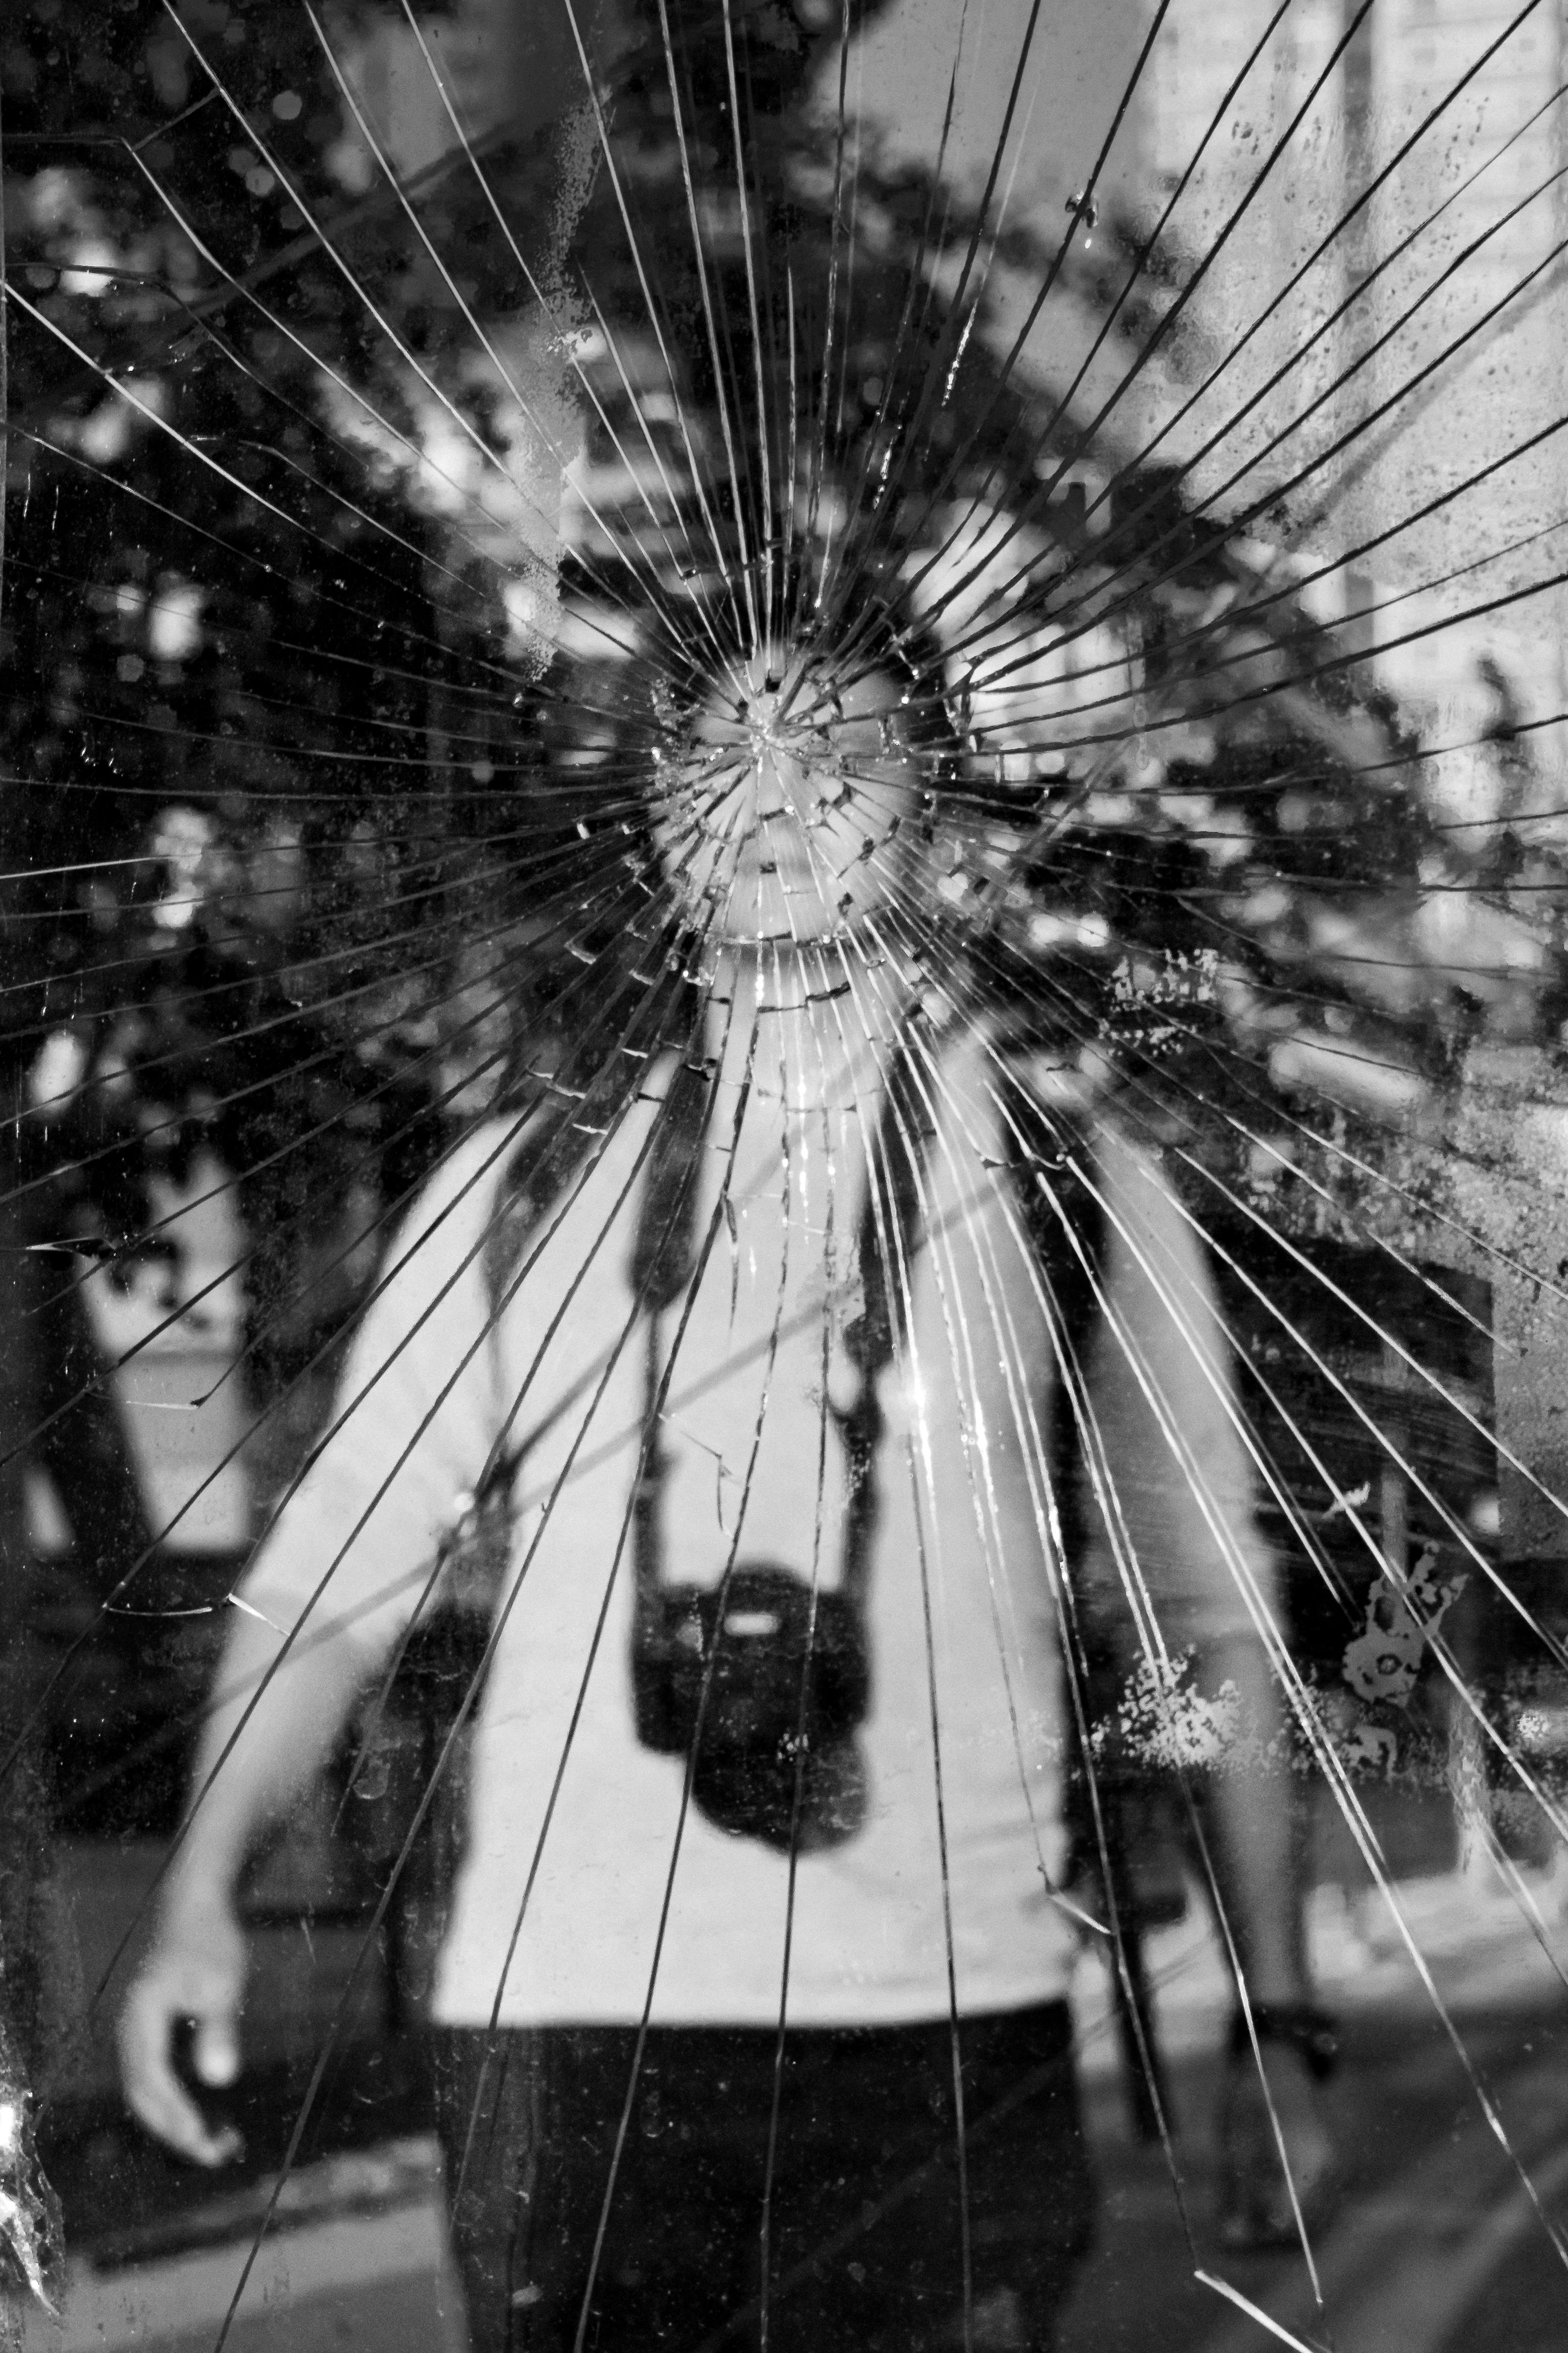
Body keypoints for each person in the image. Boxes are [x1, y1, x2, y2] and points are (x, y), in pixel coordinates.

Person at [120, 659, 1334, 2350]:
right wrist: (195, 1894)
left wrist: (1278, 2019)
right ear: (664, 834)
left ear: (933, 821)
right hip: (564, 2056)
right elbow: (331, 1586)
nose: (775, 784)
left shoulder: (1074, 1175)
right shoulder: (516, 1177)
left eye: (833, 745)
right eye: (723, 749)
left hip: (949, 2041)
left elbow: (1203, 1615)